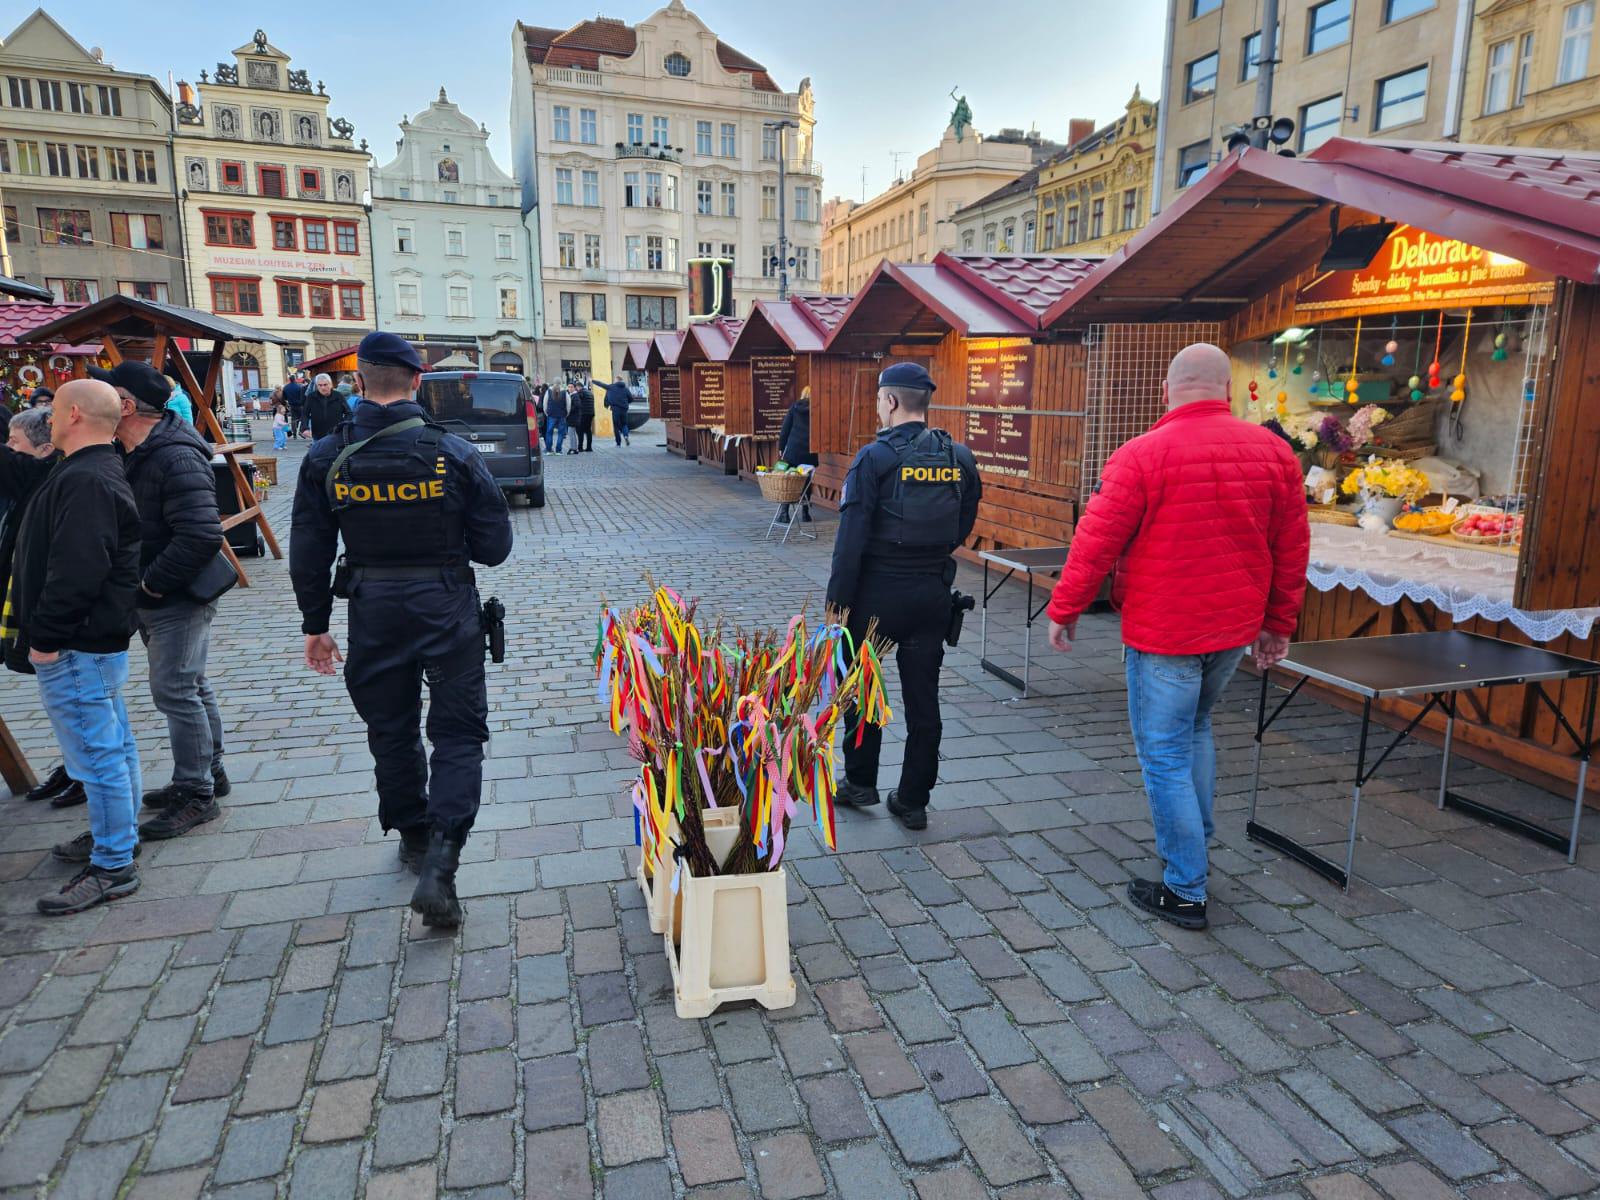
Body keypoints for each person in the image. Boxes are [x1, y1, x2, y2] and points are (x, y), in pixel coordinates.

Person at [1046, 343, 1310, 931]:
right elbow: (1291, 550)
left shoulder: (1141, 455)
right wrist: (1277, 625)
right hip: (1232, 629)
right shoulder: (1276, 455)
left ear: (1167, 391)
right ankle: (1194, 842)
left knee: (1164, 751)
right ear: (1229, 390)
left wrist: (1065, 608)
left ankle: (1186, 887)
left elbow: (1096, 541)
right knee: (1195, 731)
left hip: (1164, 630)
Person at [291, 331, 513, 929]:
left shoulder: (326, 456)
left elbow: (308, 550)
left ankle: (414, 834)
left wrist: (316, 625)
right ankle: (442, 862)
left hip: (372, 608)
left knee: (390, 727)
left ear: (358, 382)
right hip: (444, 606)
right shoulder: (456, 454)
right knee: (459, 733)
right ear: (418, 382)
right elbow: (495, 548)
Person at [826, 362, 980, 831]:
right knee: (923, 701)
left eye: (879, 400)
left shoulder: (873, 459)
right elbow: (964, 524)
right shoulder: (959, 457)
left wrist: (837, 605)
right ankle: (913, 800)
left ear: (889, 402)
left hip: (875, 597)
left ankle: (859, 782)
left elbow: (850, 540)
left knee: (862, 692)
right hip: (932, 594)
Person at [12, 380, 143, 914]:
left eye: (53, 408)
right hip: (89, 641)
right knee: (112, 745)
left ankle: (114, 864)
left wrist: (44, 639)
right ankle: (118, 836)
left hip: (77, 644)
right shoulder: (85, 469)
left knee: (96, 754)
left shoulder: (88, 477)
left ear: (70, 414)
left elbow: (78, 568)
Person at [93, 361, 232, 841]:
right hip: (160, 589)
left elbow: (201, 535)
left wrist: (150, 587)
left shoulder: (173, 455)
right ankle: (208, 772)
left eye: (106, 392)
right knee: (191, 684)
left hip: (176, 593)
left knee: (174, 689)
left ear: (126, 405)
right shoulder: (135, 448)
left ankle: (196, 795)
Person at [0, 408, 86, 811]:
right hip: (37, 611)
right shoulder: (39, 476)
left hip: (58, 619)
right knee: (62, 702)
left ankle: (84, 773)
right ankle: (75, 767)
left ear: (45, 449)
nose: (8, 451)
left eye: (14, 443)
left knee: (75, 701)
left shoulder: (45, 475)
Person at [776, 385, 818, 525]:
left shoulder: (794, 408)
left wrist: (781, 447)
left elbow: (785, 429)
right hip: (809, 452)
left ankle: (784, 513)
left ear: (802, 394)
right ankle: (805, 513)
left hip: (793, 452)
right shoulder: (817, 410)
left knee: (790, 481)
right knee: (806, 482)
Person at [306, 373, 347, 440]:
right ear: (317, 386)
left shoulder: (338, 396)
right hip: (318, 435)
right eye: (320, 385)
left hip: (335, 434)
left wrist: (343, 425)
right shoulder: (311, 397)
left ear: (330, 385)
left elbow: (348, 412)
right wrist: (305, 428)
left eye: (325, 385)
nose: (323, 387)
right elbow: (305, 413)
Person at [599, 377, 633, 446]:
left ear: (616, 380)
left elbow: (601, 385)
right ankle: (626, 436)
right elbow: (631, 398)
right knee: (624, 424)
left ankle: (618, 443)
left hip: (615, 409)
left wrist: (592, 381)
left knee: (616, 426)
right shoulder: (625, 388)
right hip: (624, 409)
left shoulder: (611, 387)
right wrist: (625, 403)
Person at [570, 383, 595, 453]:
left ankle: (580, 447)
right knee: (588, 430)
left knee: (580, 430)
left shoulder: (580, 392)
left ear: (578, 387)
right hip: (591, 413)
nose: (575, 389)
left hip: (583, 414)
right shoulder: (590, 393)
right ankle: (589, 447)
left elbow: (578, 402)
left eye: (576, 388)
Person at [543, 384, 569, 454]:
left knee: (549, 432)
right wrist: (567, 414)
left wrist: (546, 413)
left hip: (551, 414)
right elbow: (568, 404)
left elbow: (545, 403)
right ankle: (558, 450)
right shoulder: (564, 392)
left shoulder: (548, 391)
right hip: (562, 415)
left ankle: (549, 450)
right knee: (561, 433)